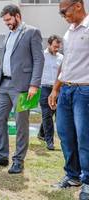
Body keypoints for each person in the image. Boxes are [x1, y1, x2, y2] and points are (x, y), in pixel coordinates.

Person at [0, 4, 44, 174]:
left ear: (17, 15)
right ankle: (2, 155)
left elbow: (39, 60)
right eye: (4, 21)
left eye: (8, 20)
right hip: (4, 84)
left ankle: (18, 160)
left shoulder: (32, 32)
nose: (7, 23)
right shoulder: (8, 35)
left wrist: (34, 84)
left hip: (23, 86)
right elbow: (4, 59)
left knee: (21, 123)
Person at [48, 1, 89, 199]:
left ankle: (88, 181)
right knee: (65, 134)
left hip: (84, 91)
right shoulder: (68, 32)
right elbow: (65, 63)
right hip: (66, 90)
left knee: (84, 137)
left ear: (78, 5)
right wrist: (55, 89)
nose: (63, 15)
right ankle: (73, 176)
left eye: (64, 11)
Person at [36, 35, 63, 151]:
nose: (57, 49)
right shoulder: (41, 56)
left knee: (57, 114)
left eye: (58, 47)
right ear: (49, 45)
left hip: (58, 89)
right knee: (47, 114)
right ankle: (49, 141)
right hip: (45, 88)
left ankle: (41, 133)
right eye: (55, 47)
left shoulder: (62, 57)